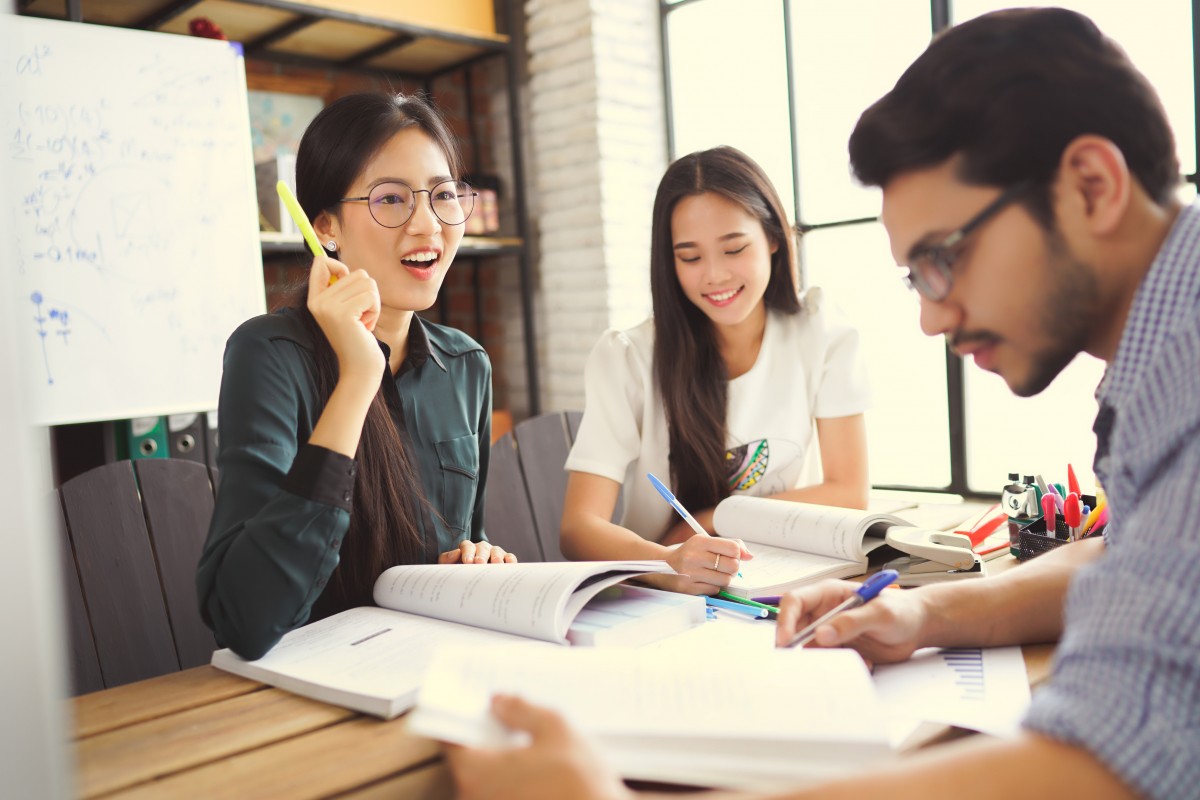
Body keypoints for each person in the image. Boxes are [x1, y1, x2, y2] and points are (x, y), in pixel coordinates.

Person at [444, 8, 1199, 799]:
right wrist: (925, 617)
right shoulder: (1162, 359)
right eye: (916, 277)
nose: (930, 318)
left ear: (1091, 186)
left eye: (942, 260)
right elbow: (1124, 560)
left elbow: (1107, 764)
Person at [196, 92, 516, 662]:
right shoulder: (267, 355)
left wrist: (477, 559)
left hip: (433, 669)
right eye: (391, 199)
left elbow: (469, 535)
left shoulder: (466, 365)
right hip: (312, 690)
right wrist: (358, 377)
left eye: (443, 196)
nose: (428, 225)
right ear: (326, 229)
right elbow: (243, 620)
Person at [560, 146, 871, 595]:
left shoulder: (822, 332)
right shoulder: (628, 356)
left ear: (773, 238)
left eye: (734, 248)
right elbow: (577, 528)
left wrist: (716, 517)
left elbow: (849, 491)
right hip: (664, 594)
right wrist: (666, 560)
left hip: (781, 579)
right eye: (690, 257)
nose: (715, 276)